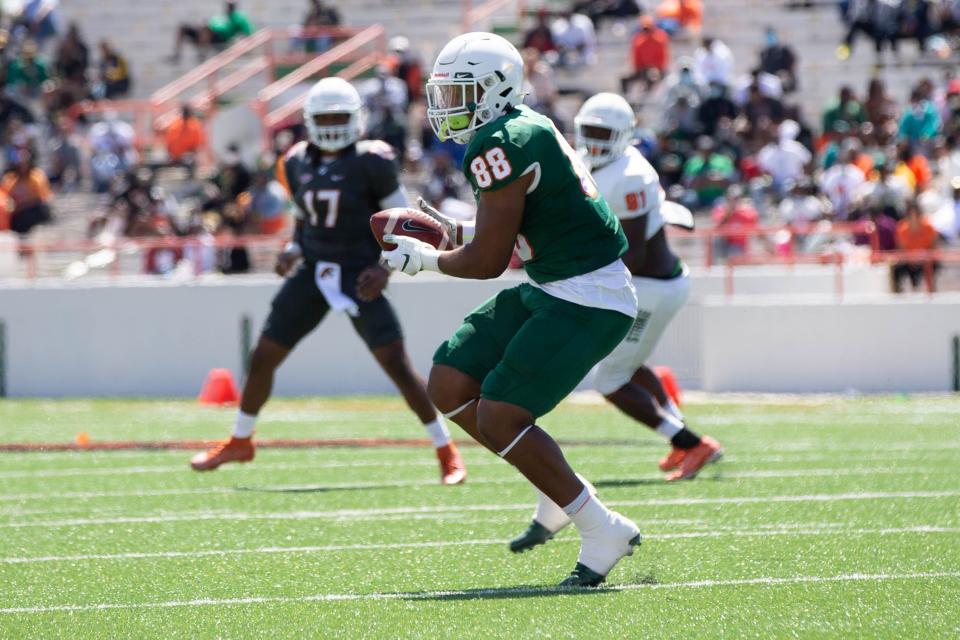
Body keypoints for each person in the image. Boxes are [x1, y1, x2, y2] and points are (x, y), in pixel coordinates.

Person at [384, 32, 641, 587]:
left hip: (588, 297)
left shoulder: (502, 143)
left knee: (501, 414)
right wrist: (456, 232)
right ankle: (559, 492)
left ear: (496, 90)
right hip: (555, 284)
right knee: (450, 383)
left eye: (462, 93)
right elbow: (519, 229)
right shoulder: (520, 126)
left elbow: (488, 261)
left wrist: (425, 261)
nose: (447, 107)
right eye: (444, 94)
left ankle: (601, 528)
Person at [190, 77, 466, 486]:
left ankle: (446, 450)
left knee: (396, 365)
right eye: (326, 117)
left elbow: (403, 224)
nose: (334, 124)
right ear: (310, 121)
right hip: (315, 269)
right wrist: (292, 250)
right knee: (264, 354)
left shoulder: (372, 159)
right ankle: (241, 440)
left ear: (356, 119)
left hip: (359, 272)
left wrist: (385, 268)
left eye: (340, 116)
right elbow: (304, 221)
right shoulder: (297, 159)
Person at [507, 93, 723, 555]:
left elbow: (636, 253)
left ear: (625, 135)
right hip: (638, 282)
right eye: (591, 132)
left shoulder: (631, 176)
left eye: (605, 134)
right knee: (624, 364)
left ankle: (692, 442)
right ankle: (681, 434)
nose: (596, 142)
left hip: (650, 284)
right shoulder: (591, 162)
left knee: (609, 379)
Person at [170, 1, 254, 62]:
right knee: (183, 26)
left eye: (230, 6)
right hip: (206, 34)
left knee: (206, 28)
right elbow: (210, 23)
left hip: (220, 37)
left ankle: (202, 55)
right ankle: (177, 55)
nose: (228, 8)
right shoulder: (220, 16)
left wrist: (242, 46)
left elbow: (248, 32)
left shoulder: (239, 18)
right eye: (228, 5)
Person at [1, 150, 53, 235]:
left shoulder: (36, 177)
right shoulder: (10, 179)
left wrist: (22, 205)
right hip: (16, 213)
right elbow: (5, 197)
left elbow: (42, 198)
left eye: (25, 163)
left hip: (32, 210)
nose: (23, 166)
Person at [893, 200, 940, 291]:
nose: (913, 218)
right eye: (911, 215)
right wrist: (911, 258)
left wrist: (924, 256)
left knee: (934, 266)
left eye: (916, 215)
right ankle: (898, 293)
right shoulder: (902, 229)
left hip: (926, 261)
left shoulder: (929, 228)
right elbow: (901, 249)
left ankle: (931, 291)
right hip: (909, 261)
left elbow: (934, 248)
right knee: (896, 269)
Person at [620, 16, 670, 99]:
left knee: (651, 77)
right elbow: (636, 58)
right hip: (643, 69)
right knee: (624, 80)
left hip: (658, 70)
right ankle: (628, 100)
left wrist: (656, 68)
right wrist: (640, 69)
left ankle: (643, 101)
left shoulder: (660, 39)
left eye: (648, 29)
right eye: (645, 29)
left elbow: (663, 58)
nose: (646, 31)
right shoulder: (639, 40)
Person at [164, 105, 206, 175]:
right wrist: (173, 155)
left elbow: (196, 146)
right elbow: (169, 144)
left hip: (187, 158)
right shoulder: (175, 125)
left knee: (189, 161)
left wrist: (188, 153)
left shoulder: (194, 125)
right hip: (174, 157)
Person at [758, 27, 796, 93]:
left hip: (782, 78)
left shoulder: (784, 50)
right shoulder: (764, 53)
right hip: (770, 81)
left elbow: (791, 62)